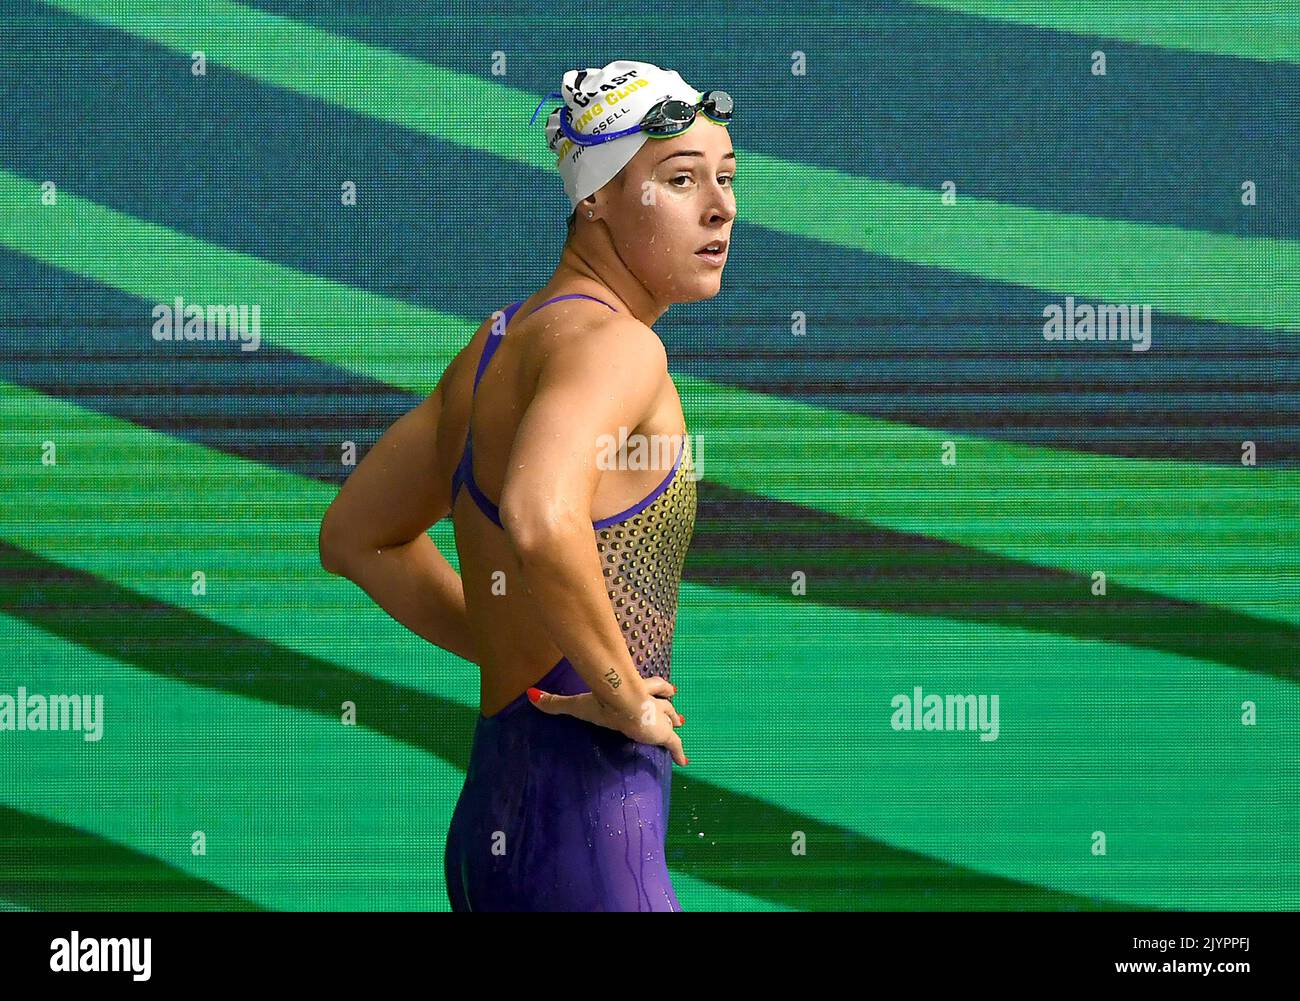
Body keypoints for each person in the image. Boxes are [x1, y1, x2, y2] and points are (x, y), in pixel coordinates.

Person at [318, 59, 736, 910]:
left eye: (725, 179)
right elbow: (542, 518)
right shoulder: (621, 348)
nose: (721, 207)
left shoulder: (497, 347)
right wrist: (620, 696)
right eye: (681, 180)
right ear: (596, 198)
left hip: (491, 824)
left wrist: (527, 655)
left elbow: (355, 536)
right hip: (593, 824)